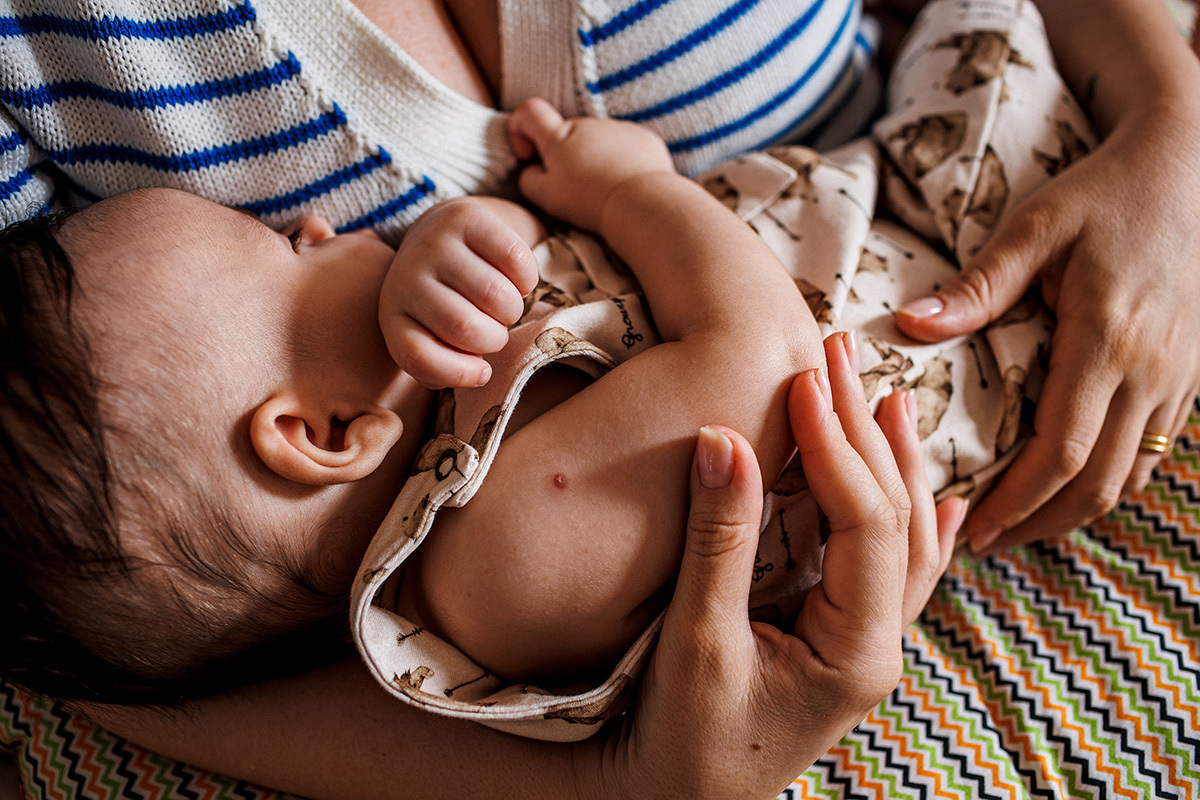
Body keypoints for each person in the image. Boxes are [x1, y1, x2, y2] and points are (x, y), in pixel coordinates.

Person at [1, 96, 960, 797]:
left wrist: (475, 246)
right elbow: (770, 365)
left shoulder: (457, 459)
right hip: (951, 296)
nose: (314, 223)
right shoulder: (504, 561)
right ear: (324, 435)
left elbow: (562, 293)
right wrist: (634, 189)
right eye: (283, 250)